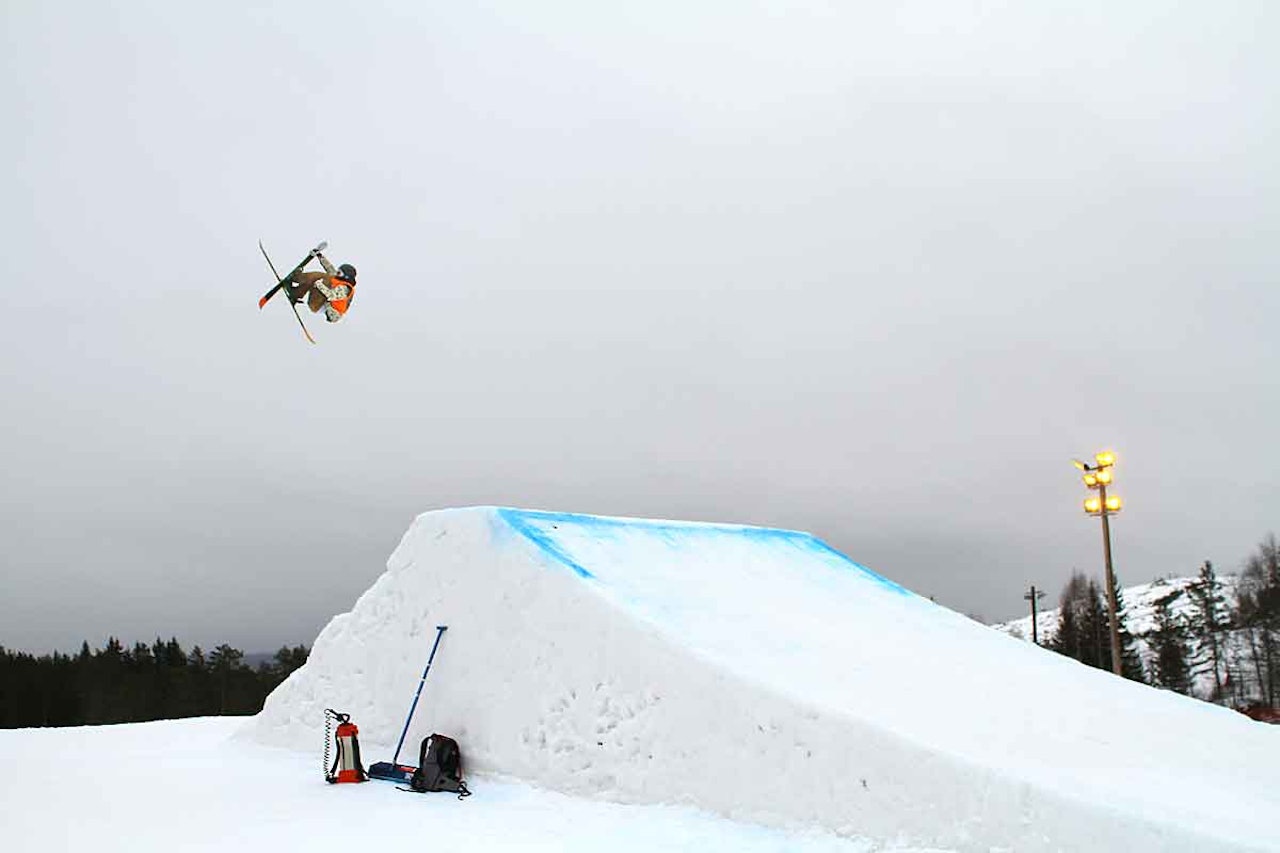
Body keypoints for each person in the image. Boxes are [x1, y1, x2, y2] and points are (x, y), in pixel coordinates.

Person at [286, 251, 357, 323]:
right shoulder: (338, 278)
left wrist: (319, 284)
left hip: (323, 308)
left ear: (346, 277)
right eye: (338, 271)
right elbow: (330, 268)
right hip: (322, 303)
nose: (337, 273)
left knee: (320, 277)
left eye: (339, 273)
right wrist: (320, 256)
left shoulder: (345, 288)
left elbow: (331, 295)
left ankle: (296, 278)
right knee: (321, 278)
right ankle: (295, 293)